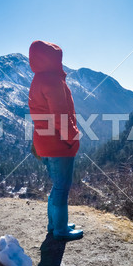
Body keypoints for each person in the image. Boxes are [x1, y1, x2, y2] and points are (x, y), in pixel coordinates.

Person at [28, 40, 83, 241]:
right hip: (58, 143)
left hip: (44, 142)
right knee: (62, 187)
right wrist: (73, 137)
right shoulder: (52, 80)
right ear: (52, 59)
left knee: (56, 186)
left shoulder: (38, 80)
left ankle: (55, 225)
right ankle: (60, 230)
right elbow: (60, 116)